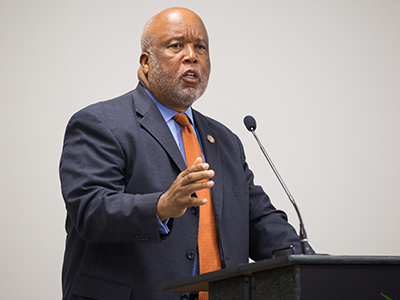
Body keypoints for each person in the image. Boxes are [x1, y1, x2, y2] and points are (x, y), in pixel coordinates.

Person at [59, 7, 309, 300]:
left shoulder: (225, 141)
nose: (192, 56)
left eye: (200, 47)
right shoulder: (101, 123)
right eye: (176, 45)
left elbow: (258, 221)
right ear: (146, 62)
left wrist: (315, 265)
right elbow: (91, 213)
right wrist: (161, 206)